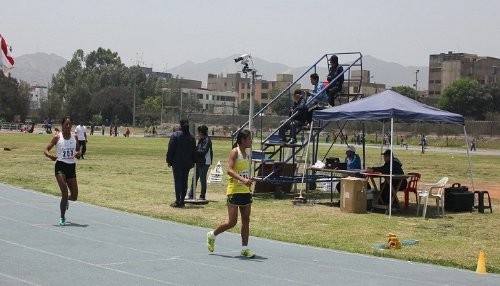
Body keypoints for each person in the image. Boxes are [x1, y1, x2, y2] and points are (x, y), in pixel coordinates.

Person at [206, 129, 255, 258]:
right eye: (249, 138)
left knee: (246, 220)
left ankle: (245, 248)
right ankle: (212, 235)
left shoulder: (247, 153)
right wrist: (243, 179)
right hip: (234, 191)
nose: (251, 140)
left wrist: (249, 178)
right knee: (232, 222)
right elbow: (229, 170)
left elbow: (243, 170)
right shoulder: (235, 152)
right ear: (243, 140)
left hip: (245, 191)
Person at [44, 116, 81, 226]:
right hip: (60, 166)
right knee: (64, 192)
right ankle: (62, 217)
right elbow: (45, 150)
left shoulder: (75, 137)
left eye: (70, 124)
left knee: (74, 197)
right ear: (62, 125)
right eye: (66, 124)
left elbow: (78, 151)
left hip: (71, 167)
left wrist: (78, 154)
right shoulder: (57, 137)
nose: (68, 126)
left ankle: (66, 201)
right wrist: (50, 156)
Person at [166, 119, 196, 208]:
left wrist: (169, 160)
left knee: (178, 181)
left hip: (177, 162)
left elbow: (171, 149)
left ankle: (178, 201)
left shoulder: (175, 135)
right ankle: (182, 200)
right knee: (184, 181)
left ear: (180, 125)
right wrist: (193, 161)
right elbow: (194, 151)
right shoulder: (192, 137)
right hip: (187, 163)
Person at [188, 125, 213, 200]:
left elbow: (203, 151)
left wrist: (194, 151)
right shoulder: (201, 140)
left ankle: (202, 195)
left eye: (198, 132)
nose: (197, 133)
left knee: (202, 179)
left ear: (201, 132)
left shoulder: (207, 140)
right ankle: (191, 194)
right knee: (194, 178)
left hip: (205, 162)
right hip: (199, 161)